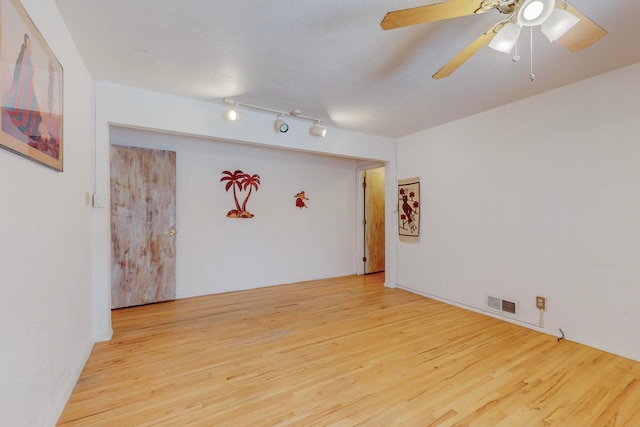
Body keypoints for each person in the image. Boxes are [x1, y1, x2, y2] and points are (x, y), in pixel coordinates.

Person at [3, 33, 58, 158]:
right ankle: (25, 53)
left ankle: (25, 53)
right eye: (47, 131)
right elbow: (37, 101)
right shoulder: (41, 120)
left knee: (21, 78)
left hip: (18, 101)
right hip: (26, 96)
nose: (45, 128)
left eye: (44, 132)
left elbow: (18, 115)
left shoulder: (30, 127)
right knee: (24, 77)